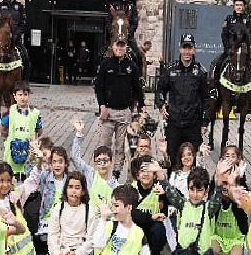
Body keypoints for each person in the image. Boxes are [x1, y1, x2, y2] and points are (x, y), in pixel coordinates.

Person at [157, 163, 225, 255]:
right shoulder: (183, 204)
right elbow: (169, 191)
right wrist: (159, 172)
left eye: (199, 190)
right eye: (191, 189)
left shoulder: (209, 208)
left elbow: (218, 195)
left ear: (206, 191)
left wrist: (219, 178)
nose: (195, 194)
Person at [155, 33, 209, 168]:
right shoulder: (170, 69)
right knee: (173, 159)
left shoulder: (201, 72)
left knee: (192, 160)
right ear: (180, 49)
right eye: (184, 48)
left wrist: (205, 122)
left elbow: (206, 99)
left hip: (193, 124)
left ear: (194, 50)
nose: (187, 51)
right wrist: (161, 105)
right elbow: (160, 90)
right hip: (174, 123)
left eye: (189, 48)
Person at [95, 36, 145, 180]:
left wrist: (141, 106)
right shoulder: (105, 64)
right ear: (113, 46)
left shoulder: (132, 66)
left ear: (126, 48)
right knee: (104, 145)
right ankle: (102, 175)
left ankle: (116, 175)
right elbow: (99, 87)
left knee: (120, 147)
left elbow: (137, 87)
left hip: (124, 113)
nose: (120, 49)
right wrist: (102, 106)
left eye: (122, 47)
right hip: (108, 112)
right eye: (117, 46)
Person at [47, 171, 95, 255]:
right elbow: (53, 234)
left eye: (77, 187)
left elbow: (91, 239)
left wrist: (77, 253)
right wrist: (57, 253)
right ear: (66, 189)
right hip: (62, 249)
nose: (73, 191)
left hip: (78, 251)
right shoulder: (59, 208)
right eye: (70, 187)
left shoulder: (88, 210)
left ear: (83, 191)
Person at [129, 155, 170, 255]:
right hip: (139, 225)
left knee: (159, 228)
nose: (146, 174)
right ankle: (136, 252)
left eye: (149, 171)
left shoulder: (160, 187)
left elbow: (179, 200)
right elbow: (132, 214)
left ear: (154, 174)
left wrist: (166, 191)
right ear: (137, 175)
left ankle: (155, 253)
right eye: (142, 171)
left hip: (154, 227)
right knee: (130, 226)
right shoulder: (132, 189)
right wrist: (152, 216)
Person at [71, 118, 118, 217]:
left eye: (105, 161)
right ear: (95, 163)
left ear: (111, 162)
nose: (102, 164)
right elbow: (75, 158)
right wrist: (78, 134)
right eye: (99, 161)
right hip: (89, 219)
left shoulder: (115, 185)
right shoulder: (90, 174)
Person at [0, 82, 43, 179]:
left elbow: (39, 131)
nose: (22, 98)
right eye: (20, 95)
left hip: (29, 155)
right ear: (14, 96)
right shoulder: (9, 112)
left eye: (25, 94)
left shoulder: (35, 113)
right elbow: (2, 129)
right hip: (11, 155)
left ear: (29, 95)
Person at [211, 0, 251, 83]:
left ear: (243, 6)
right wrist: (228, 49)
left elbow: (250, 36)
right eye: (237, 5)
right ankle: (214, 88)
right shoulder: (229, 19)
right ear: (234, 6)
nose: (239, 7)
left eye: (241, 5)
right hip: (230, 50)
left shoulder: (247, 19)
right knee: (217, 64)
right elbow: (224, 35)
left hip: (243, 52)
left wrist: (246, 48)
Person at [0, 0, 30, 78]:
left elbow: (23, 23)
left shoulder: (19, 7)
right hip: (2, 40)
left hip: (15, 40)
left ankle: (24, 82)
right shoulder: (1, 6)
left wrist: (16, 35)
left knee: (26, 58)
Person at [106, 0, 142, 64]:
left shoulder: (132, 7)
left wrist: (129, 32)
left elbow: (134, 22)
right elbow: (108, 20)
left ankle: (140, 76)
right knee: (101, 53)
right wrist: (112, 31)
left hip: (128, 37)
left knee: (139, 55)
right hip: (115, 36)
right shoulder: (113, 6)